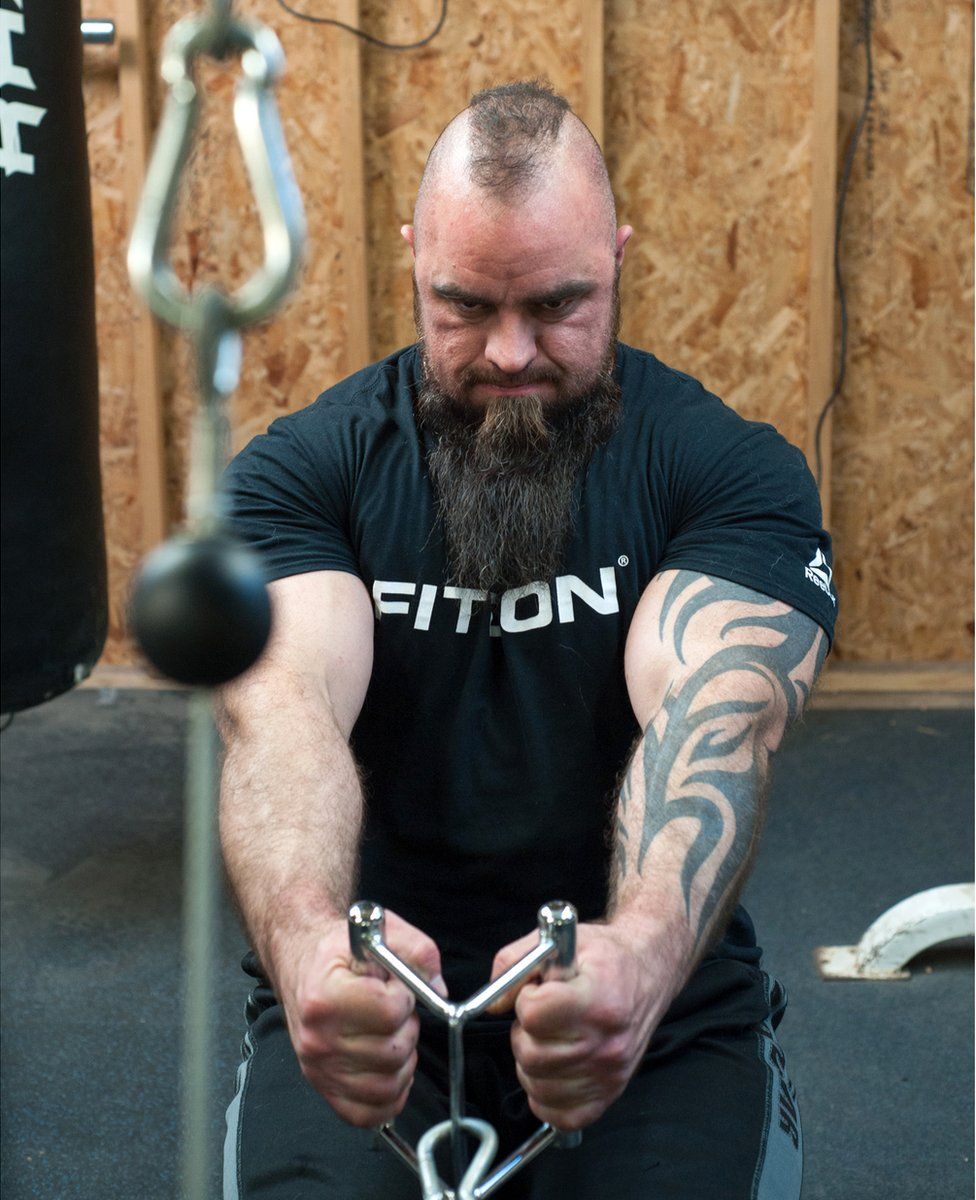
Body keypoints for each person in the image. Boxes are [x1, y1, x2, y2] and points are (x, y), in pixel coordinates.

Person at [216, 80, 836, 1199]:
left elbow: (717, 717)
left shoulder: (728, 474)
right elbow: (281, 714)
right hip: (374, 1003)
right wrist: (310, 946)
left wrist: (641, 958)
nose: (509, 353)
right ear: (412, 262)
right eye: (463, 306)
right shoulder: (300, 473)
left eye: (557, 306)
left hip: (652, 1014)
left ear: (617, 258)